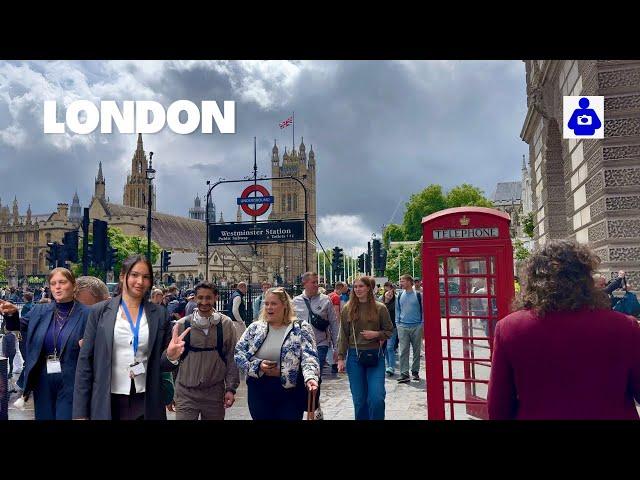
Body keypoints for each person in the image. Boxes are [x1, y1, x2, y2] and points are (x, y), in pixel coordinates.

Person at [488, 240, 640, 420]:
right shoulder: (624, 326)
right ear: (585, 278)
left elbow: (498, 406)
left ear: (533, 280)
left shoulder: (509, 328)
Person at [73, 254, 187, 420]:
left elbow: (161, 365)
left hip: (146, 402)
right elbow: (85, 364)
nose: (140, 281)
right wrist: (80, 413)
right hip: (108, 401)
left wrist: (171, 356)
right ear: (122, 276)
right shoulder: (99, 312)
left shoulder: (159, 315)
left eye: (146, 277)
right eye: (134, 275)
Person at [0, 268, 90, 420]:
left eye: (62, 282)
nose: (57, 287)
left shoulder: (87, 313)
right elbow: (17, 326)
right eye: (53, 283)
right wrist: (11, 313)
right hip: (43, 379)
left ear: (74, 286)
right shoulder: (40, 310)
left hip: (71, 380)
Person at [234, 287, 319, 420]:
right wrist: (258, 366)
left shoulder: (301, 328)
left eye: (273, 304)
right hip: (259, 389)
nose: (269, 307)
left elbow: (309, 356)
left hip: (290, 390)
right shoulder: (255, 328)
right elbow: (239, 354)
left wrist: (310, 378)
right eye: (266, 304)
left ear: (284, 305)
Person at [173, 282, 240, 420]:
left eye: (208, 298)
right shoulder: (182, 325)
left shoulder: (226, 325)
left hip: (214, 393)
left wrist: (231, 388)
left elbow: (232, 357)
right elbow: (172, 361)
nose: (204, 302)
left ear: (216, 298)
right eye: (200, 298)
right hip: (186, 392)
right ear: (194, 298)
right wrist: (170, 393)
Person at [337, 276, 393, 420]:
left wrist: (376, 334)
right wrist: (341, 358)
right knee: (360, 400)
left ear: (369, 288)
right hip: (354, 357)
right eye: (355, 287)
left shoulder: (380, 308)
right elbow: (343, 334)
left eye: (361, 286)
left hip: (375, 355)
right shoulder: (347, 308)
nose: (358, 289)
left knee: (377, 398)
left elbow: (389, 331)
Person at [292, 272, 339, 418]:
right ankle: (311, 404)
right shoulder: (295, 301)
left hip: (320, 343)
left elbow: (334, 323)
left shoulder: (326, 300)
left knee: (315, 375)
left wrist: (337, 347)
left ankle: (312, 410)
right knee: (300, 376)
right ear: (304, 284)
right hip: (300, 346)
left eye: (317, 282)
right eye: (313, 282)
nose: (316, 284)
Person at [395, 274, 423, 383]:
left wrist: (422, 323)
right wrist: (398, 323)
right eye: (400, 281)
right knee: (403, 351)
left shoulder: (418, 295)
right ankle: (404, 373)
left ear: (409, 282)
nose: (401, 283)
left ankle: (415, 372)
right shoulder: (400, 295)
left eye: (403, 281)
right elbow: (398, 310)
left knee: (416, 351)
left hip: (416, 326)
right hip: (403, 326)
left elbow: (423, 310)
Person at [379, 281, 397, 376]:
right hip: (381, 328)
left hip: (393, 327)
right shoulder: (380, 301)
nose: (390, 294)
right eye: (388, 293)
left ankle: (391, 367)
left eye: (391, 293)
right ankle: (388, 365)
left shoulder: (396, 301)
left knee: (390, 347)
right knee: (384, 348)